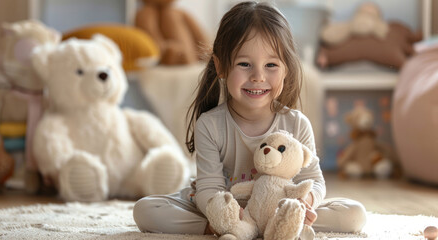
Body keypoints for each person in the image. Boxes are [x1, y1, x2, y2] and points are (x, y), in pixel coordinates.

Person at [133, 1, 367, 235]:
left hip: (278, 208)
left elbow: (314, 180)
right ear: (221, 66)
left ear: (286, 68)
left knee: (354, 215)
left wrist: (305, 203)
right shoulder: (210, 125)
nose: (258, 76)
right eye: (244, 64)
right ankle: (226, 228)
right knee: (147, 210)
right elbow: (209, 188)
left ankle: (277, 224)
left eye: (271, 65)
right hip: (225, 212)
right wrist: (222, 216)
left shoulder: (296, 123)